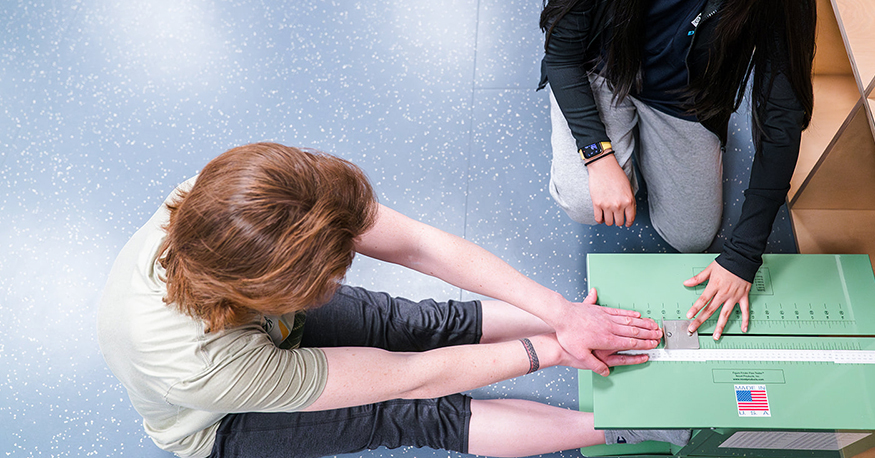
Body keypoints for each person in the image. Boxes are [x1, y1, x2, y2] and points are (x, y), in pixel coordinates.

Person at [97, 142, 691, 458]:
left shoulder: (243, 200)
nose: (344, 272)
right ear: (276, 288)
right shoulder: (205, 366)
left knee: (416, 321)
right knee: (409, 416)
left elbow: (420, 246)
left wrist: (563, 315)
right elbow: (412, 378)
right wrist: (553, 350)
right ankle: (627, 425)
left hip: (252, 313)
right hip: (222, 420)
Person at [538, 0, 816, 340]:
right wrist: (598, 156)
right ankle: (615, 136)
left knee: (690, 237)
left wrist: (744, 256)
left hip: (685, 93)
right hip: (603, 69)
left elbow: (782, 116)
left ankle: (641, 138)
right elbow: (562, 54)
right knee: (584, 200)